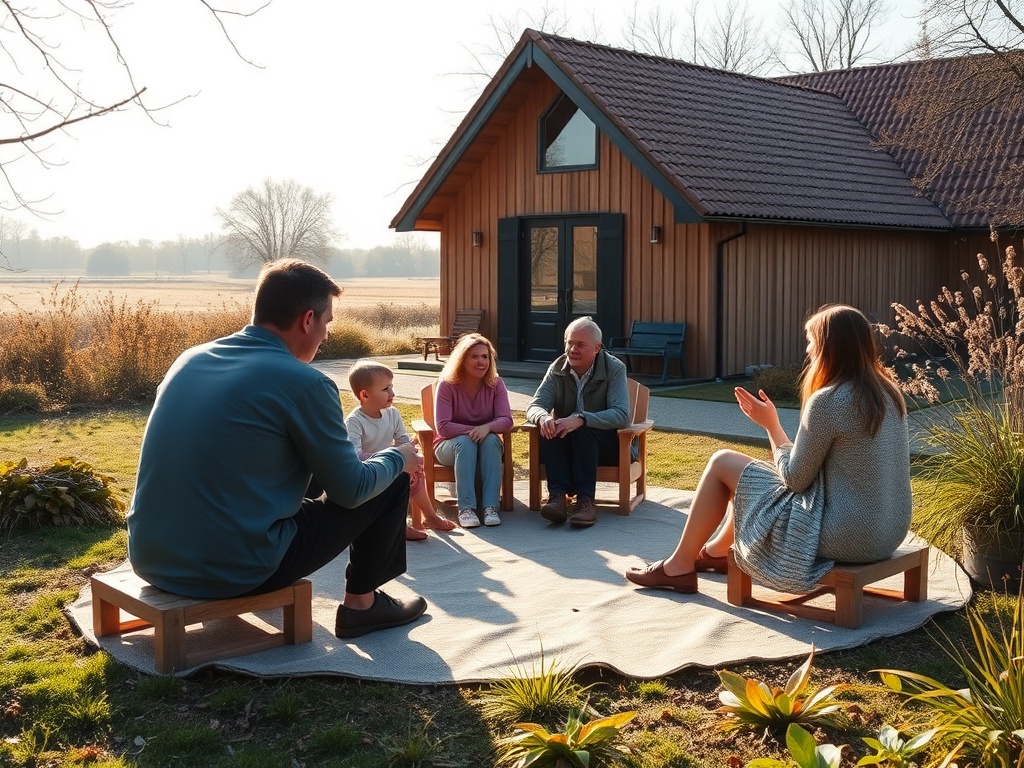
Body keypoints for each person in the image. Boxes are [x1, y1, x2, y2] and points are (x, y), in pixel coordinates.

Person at [127, 258, 427, 639]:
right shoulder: (307, 383)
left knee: (321, 468)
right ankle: (362, 606)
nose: (327, 335)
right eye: (327, 323)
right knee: (392, 478)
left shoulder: (189, 360)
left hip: (151, 557)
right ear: (307, 320)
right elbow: (351, 491)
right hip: (236, 569)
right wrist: (400, 457)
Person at [625, 304, 912, 595]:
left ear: (828, 347)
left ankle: (679, 567)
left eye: (811, 341)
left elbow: (795, 480)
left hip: (846, 536)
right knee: (752, 475)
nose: (808, 350)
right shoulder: (889, 394)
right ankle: (715, 552)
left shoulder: (829, 401)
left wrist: (771, 425)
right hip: (889, 533)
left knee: (722, 462)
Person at [525, 316, 630, 528]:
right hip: (566, 443)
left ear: (596, 348)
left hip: (607, 445)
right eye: (569, 343)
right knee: (552, 429)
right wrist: (544, 417)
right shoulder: (557, 368)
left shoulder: (614, 368)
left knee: (583, 431)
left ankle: (585, 501)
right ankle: (557, 498)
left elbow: (621, 414)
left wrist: (582, 419)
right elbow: (535, 406)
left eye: (580, 345)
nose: (573, 349)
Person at [345, 359, 457, 541]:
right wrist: (394, 459)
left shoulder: (392, 413)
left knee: (415, 473)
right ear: (365, 395)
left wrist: (412, 456)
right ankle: (400, 525)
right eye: (385, 389)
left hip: (390, 465)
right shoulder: (355, 421)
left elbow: (403, 441)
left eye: (391, 387)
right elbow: (355, 455)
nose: (392, 393)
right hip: (368, 472)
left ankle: (430, 517)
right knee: (400, 476)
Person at [432, 333, 513, 529]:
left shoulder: (496, 384)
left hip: (485, 444)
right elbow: (443, 426)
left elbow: (506, 420)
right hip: (448, 446)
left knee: (492, 441)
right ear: (462, 359)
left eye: (485, 356)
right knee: (466, 443)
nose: (481, 361)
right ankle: (466, 509)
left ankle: (490, 507)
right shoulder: (447, 384)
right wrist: (475, 431)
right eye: (474, 356)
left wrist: (487, 428)